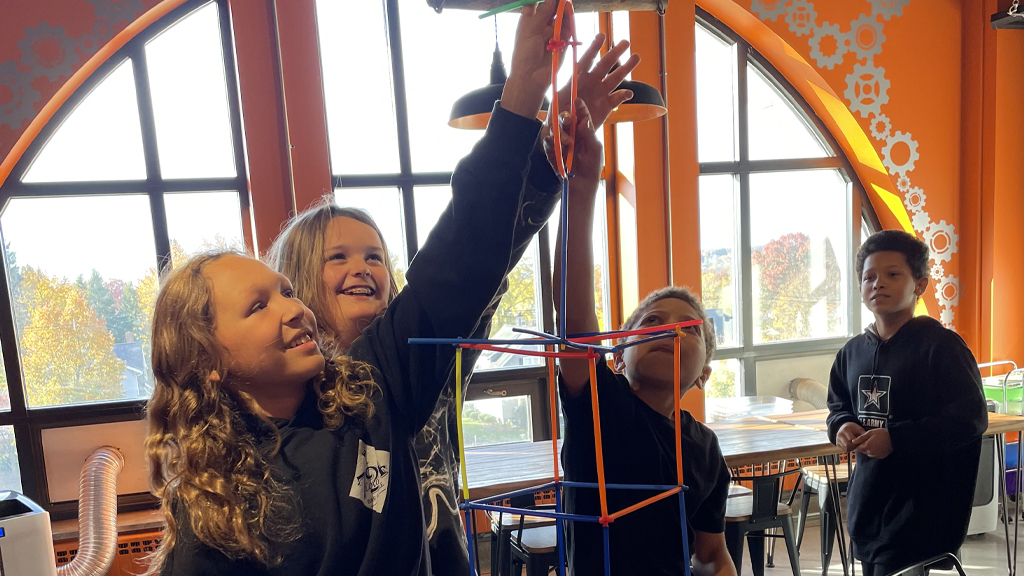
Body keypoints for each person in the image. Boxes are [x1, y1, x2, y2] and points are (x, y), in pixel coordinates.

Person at [144, 3, 565, 572]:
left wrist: (518, 101)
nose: (291, 310)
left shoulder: (368, 391)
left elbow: (458, 262)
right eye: (258, 306)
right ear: (209, 359)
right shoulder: (217, 516)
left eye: (287, 292)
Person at [264, 31, 639, 575]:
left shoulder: (429, 363)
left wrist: (547, 159)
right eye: (337, 258)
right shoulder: (297, 399)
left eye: (374, 256)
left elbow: (477, 262)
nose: (362, 268)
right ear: (296, 282)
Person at [551, 56, 735, 574]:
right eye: (650, 321)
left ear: (703, 372)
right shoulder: (602, 407)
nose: (667, 328)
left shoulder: (703, 447)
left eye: (687, 327)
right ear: (617, 350)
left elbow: (713, 555)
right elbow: (573, 318)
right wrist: (582, 186)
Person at [826, 229, 988, 576]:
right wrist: (841, 426)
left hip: (921, 511)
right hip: (869, 506)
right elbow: (838, 405)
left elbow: (969, 420)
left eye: (892, 274)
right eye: (869, 276)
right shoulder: (851, 353)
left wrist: (895, 439)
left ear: (920, 285)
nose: (878, 283)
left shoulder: (942, 348)